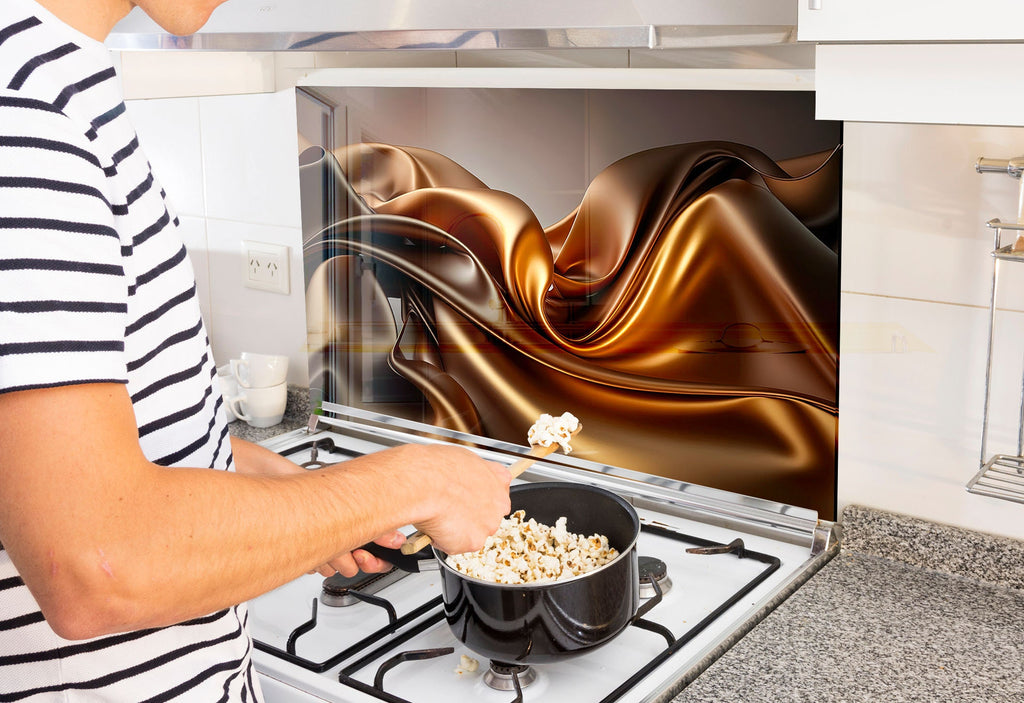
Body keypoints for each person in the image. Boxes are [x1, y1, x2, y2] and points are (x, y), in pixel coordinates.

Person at [0, 0, 512, 699]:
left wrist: (300, 499)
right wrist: (417, 480)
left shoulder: (56, 81)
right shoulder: (24, 116)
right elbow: (95, 563)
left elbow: (97, 450)